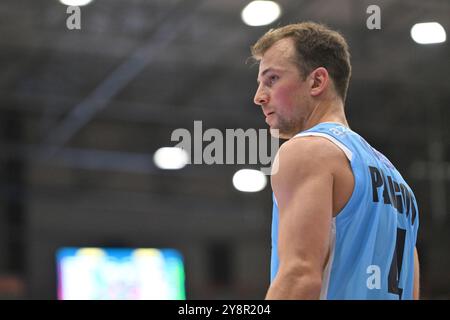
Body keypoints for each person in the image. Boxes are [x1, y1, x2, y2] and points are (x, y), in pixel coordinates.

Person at [251, 22, 420, 299]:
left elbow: (300, 277)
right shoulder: (400, 185)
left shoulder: (308, 150)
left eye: (272, 79)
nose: (258, 96)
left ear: (317, 81)